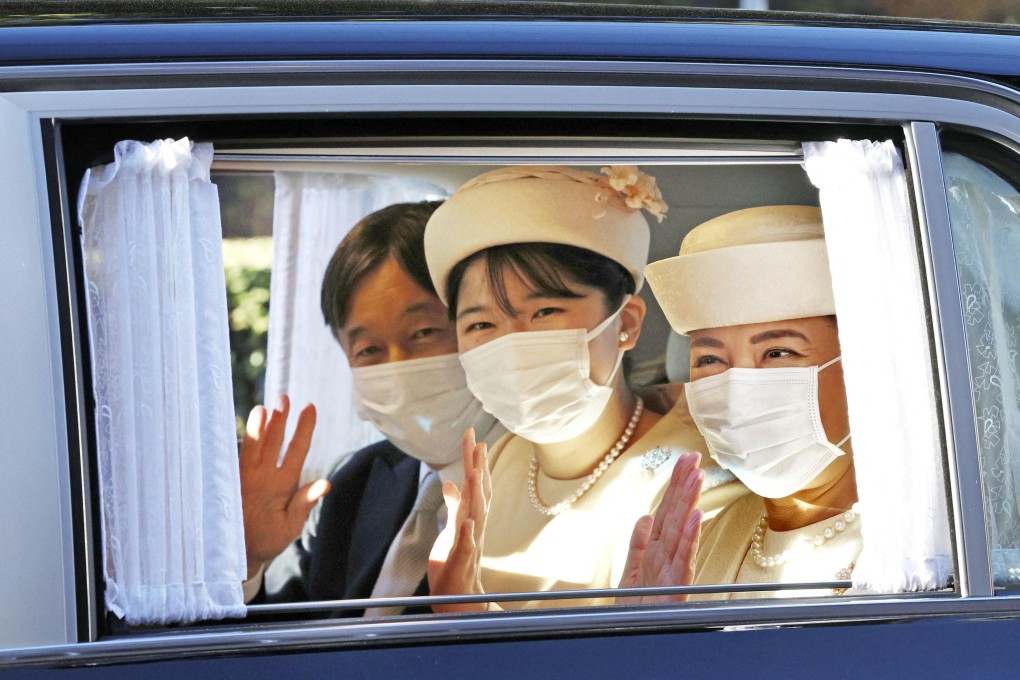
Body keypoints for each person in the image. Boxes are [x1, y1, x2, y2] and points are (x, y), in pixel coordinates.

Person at [422, 165, 745, 612]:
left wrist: (467, 618)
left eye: (544, 312)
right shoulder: (499, 460)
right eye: (480, 324)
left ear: (626, 323)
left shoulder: (695, 486)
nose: (510, 344)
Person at [239, 201, 505, 616]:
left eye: (424, 332)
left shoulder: (549, 482)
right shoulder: (352, 481)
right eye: (368, 350)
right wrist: (247, 560)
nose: (397, 368)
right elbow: (273, 643)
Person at [621, 205, 859, 601]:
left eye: (778, 352)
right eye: (710, 360)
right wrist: (643, 628)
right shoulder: (705, 539)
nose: (736, 387)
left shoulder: (916, 555)